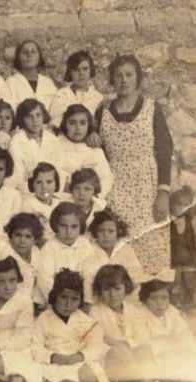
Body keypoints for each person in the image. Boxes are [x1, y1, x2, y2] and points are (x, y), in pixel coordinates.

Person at [96, 54, 173, 280]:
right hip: (116, 190)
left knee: (154, 247)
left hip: (148, 189)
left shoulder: (152, 108)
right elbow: (96, 151)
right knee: (123, 248)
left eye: (129, 75)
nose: (124, 80)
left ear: (137, 78)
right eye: (118, 76)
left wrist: (163, 193)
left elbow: (164, 151)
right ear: (112, 80)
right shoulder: (102, 111)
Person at [32, 269, 122, 382]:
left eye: (74, 299)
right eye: (64, 297)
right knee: (64, 381)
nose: (69, 304)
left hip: (78, 362)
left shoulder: (85, 320)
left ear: (80, 300)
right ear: (55, 296)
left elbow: (95, 345)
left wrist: (80, 356)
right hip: (55, 364)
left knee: (91, 372)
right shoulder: (44, 319)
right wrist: (52, 357)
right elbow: (35, 345)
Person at [80, 209, 146, 305]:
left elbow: (136, 278)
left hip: (125, 301)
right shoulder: (90, 250)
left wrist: (129, 302)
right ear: (95, 232)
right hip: (98, 302)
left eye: (111, 231)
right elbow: (88, 281)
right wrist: (89, 303)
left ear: (118, 232)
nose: (106, 235)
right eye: (101, 231)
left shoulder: (126, 250)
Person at [37, 202, 92, 307]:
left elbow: (89, 276)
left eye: (74, 227)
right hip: (55, 300)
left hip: (80, 300)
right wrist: (58, 303)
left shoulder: (85, 246)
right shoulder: (49, 248)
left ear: (80, 227)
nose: (69, 232)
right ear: (55, 225)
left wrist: (85, 301)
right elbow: (45, 280)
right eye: (63, 226)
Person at [53, 104, 113, 197]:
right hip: (63, 199)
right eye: (72, 123)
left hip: (90, 200)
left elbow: (106, 178)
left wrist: (96, 195)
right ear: (65, 125)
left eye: (83, 123)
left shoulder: (94, 149)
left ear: (88, 125)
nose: (78, 128)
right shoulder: (56, 145)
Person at [8, 98, 59, 191]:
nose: (35, 120)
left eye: (38, 115)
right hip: (28, 191)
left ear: (43, 116)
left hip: (52, 191)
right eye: (29, 116)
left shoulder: (53, 140)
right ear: (22, 119)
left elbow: (59, 170)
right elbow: (17, 176)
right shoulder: (17, 142)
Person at [49, 51, 103, 130]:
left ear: (90, 70)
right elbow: (55, 122)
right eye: (76, 70)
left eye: (85, 69)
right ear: (70, 72)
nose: (81, 73)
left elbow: (99, 125)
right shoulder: (62, 94)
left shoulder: (97, 97)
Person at [5, 40, 57, 110]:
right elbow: (9, 110)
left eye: (33, 52)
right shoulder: (11, 83)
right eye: (25, 52)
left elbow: (56, 109)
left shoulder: (48, 83)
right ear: (18, 57)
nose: (29, 55)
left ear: (39, 57)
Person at [4, 213, 44, 302]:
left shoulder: (36, 253)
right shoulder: (5, 255)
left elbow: (39, 281)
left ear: (35, 240)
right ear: (10, 236)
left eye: (28, 237)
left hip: (31, 301)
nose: (22, 241)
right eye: (18, 235)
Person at [169, 186, 196, 312]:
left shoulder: (190, 221)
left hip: (189, 259)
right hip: (174, 261)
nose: (182, 208)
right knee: (175, 283)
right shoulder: (168, 222)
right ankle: (175, 305)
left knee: (190, 283)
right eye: (178, 204)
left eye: (185, 205)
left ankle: (189, 303)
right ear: (172, 205)